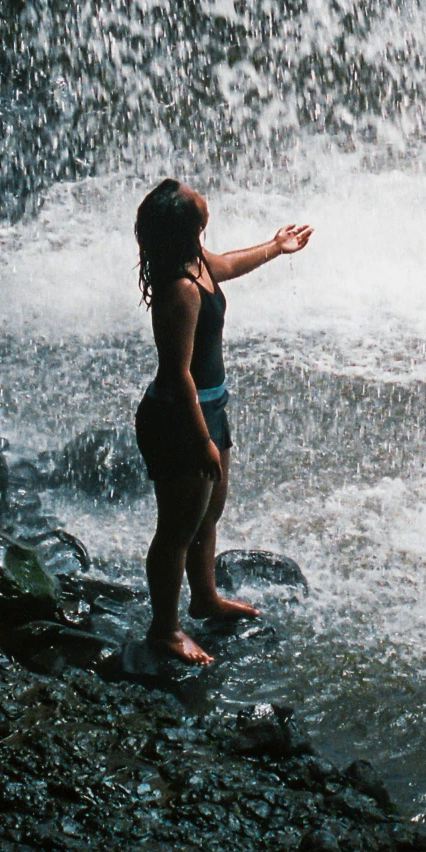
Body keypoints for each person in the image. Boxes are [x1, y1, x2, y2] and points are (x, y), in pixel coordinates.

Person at [133, 177, 312, 664]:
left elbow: (229, 263)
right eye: (189, 193)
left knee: (208, 512)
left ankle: (205, 596)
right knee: (175, 529)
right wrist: (202, 441)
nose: (195, 188)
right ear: (189, 223)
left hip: (208, 407)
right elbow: (177, 376)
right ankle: (164, 631)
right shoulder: (180, 291)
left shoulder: (196, 261)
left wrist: (277, 247)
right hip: (178, 418)